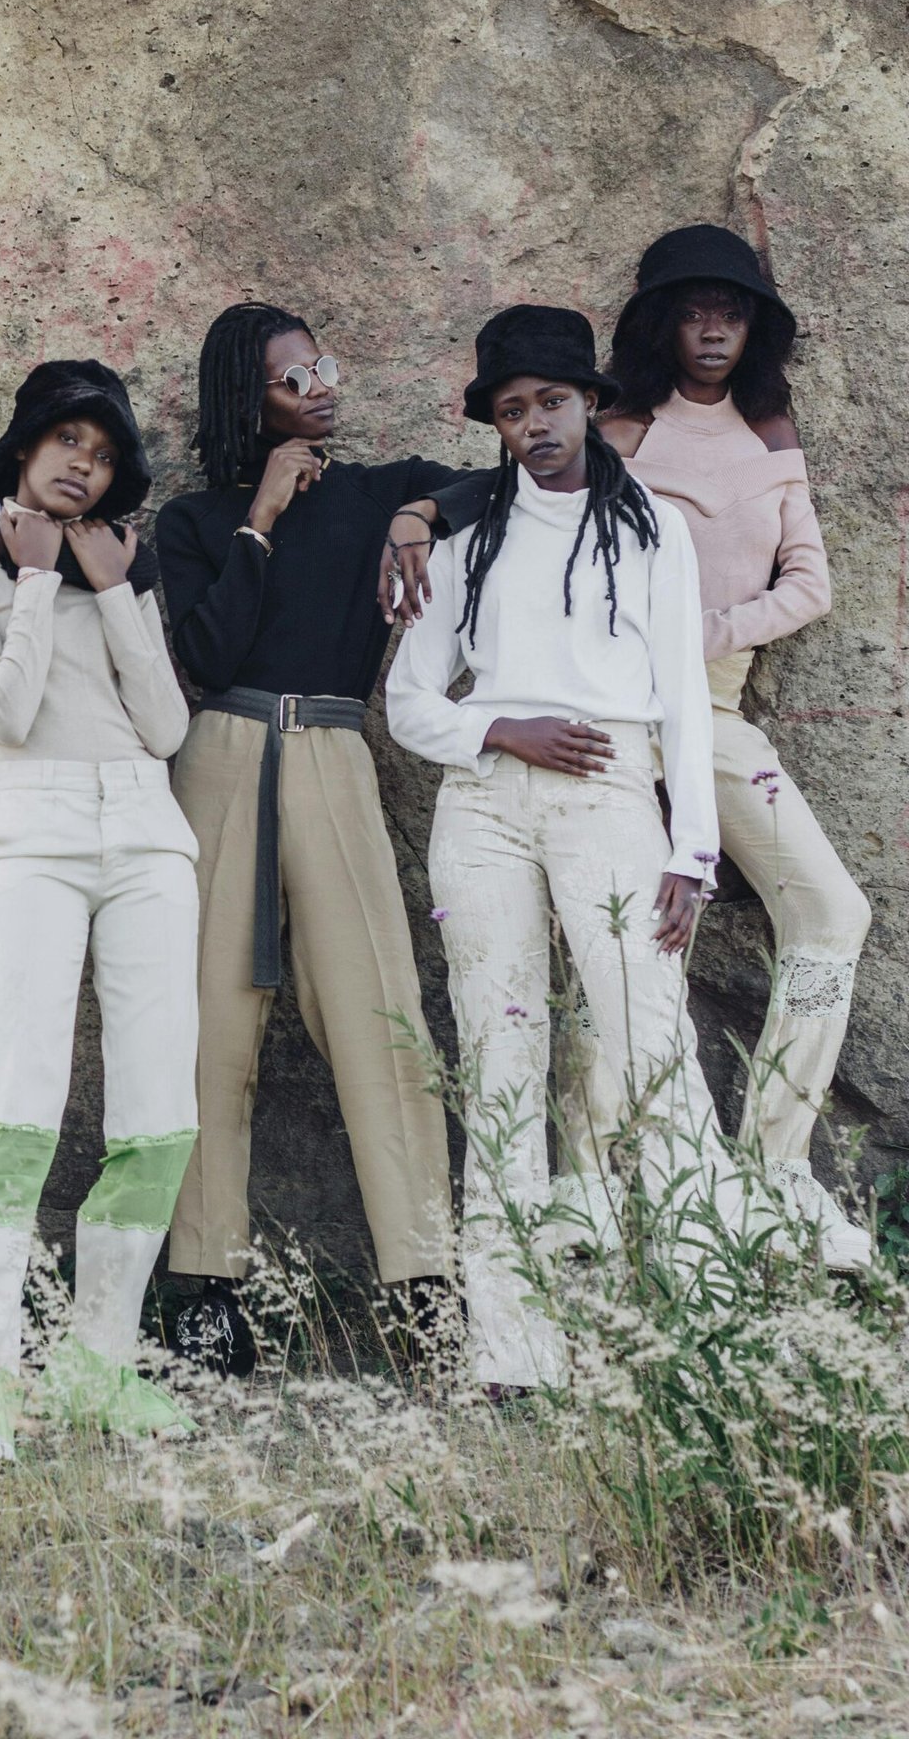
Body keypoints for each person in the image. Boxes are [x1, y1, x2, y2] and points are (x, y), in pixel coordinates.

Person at [402, 229, 872, 1270]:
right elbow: (514, 493)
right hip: (602, 726)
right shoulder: (611, 423)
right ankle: (592, 1180)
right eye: (692, 308)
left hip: (706, 712)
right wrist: (415, 511)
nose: (712, 327)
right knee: (619, 957)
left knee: (831, 909)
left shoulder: (767, 430)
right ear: (657, 322)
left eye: (733, 310)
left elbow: (812, 580)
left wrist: (693, 635)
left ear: (755, 327)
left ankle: (774, 1167)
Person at [386, 304, 766, 1391]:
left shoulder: (651, 528)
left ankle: (713, 1327)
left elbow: (685, 704)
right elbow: (410, 699)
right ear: (493, 424)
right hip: (486, 801)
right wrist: (498, 725)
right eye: (511, 410)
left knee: (651, 1045)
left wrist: (691, 850)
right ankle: (511, 1353)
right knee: (498, 1054)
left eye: (551, 401)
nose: (534, 424)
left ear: (590, 403)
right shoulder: (464, 534)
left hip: (608, 788)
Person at [154, 301, 461, 1374]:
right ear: (249, 400)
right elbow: (204, 650)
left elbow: (495, 479)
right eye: (293, 378)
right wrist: (261, 518)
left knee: (381, 1016)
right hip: (221, 754)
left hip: (333, 751)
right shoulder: (192, 521)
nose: (321, 384)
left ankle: (424, 1280)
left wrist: (419, 510)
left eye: (324, 364)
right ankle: (203, 1287)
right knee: (205, 1032)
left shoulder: (377, 489)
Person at [0, 360, 198, 1466]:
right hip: (31, 833)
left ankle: (97, 1365)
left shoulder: (122, 569)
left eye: (100, 449)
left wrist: (109, 588)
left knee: (154, 1107)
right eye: (64, 442)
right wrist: (31, 577)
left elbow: (169, 725)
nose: (82, 461)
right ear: (23, 452)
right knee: (14, 1102)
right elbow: (8, 715)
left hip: (146, 834)